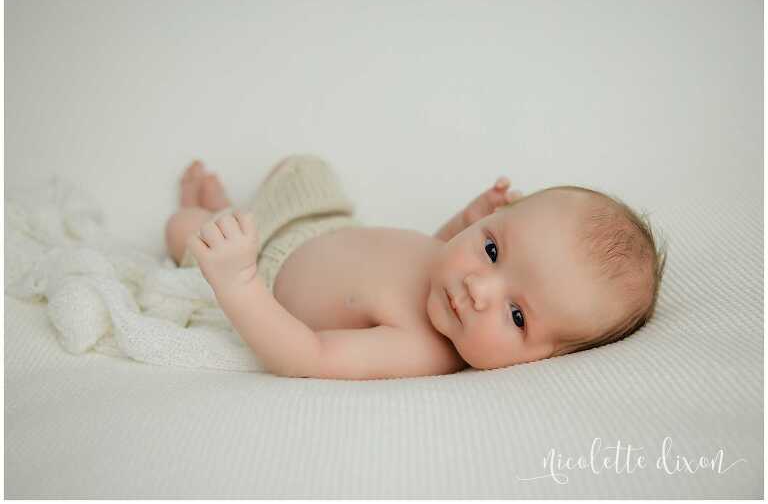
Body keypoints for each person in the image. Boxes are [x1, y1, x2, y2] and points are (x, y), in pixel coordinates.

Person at [165, 155, 667, 380]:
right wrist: (464, 220)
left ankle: (215, 217)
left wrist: (239, 281)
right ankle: (233, 211)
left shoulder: (424, 348)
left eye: (517, 316)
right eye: (492, 249)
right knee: (301, 165)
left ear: (544, 360)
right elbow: (427, 249)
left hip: (265, 271)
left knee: (182, 229)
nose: (479, 288)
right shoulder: (451, 270)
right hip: (320, 223)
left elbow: (309, 355)